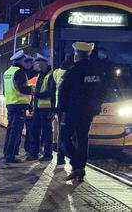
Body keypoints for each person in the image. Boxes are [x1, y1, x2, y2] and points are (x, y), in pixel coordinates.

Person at [59, 42, 106, 181]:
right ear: (89, 54)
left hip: (72, 112)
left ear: (76, 55)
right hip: (88, 112)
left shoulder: (72, 71)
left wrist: (62, 110)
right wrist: (95, 106)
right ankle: (81, 168)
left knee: (64, 137)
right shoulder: (97, 71)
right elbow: (103, 90)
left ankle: (76, 165)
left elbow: (62, 92)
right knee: (82, 139)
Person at [3, 50, 34, 163]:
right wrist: (32, 90)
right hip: (19, 105)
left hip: (11, 104)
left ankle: (7, 152)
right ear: (21, 60)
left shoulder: (7, 72)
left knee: (10, 129)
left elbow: (5, 90)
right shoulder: (20, 72)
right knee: (16, 131)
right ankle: (10, 156)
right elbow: (21, 88)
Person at [27, 53, 56, 161]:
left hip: (47, 108)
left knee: (47, 132)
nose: (37, 64)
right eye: (37, 62)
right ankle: (33, 153)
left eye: (39, 62)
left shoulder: (51, 75)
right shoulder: (40, 75)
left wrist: (37, 94)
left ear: (44, 63)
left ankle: (48, 154)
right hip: (38, 108)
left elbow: (50, 92)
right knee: (34, 131)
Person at [53, 53, 74, 165]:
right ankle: (73, 161)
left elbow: (54, 90)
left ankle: (60, 158)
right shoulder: (73, 72)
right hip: (70, 107)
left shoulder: (57, 72)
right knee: (72, 135)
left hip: (59, 106)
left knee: (62, 133)